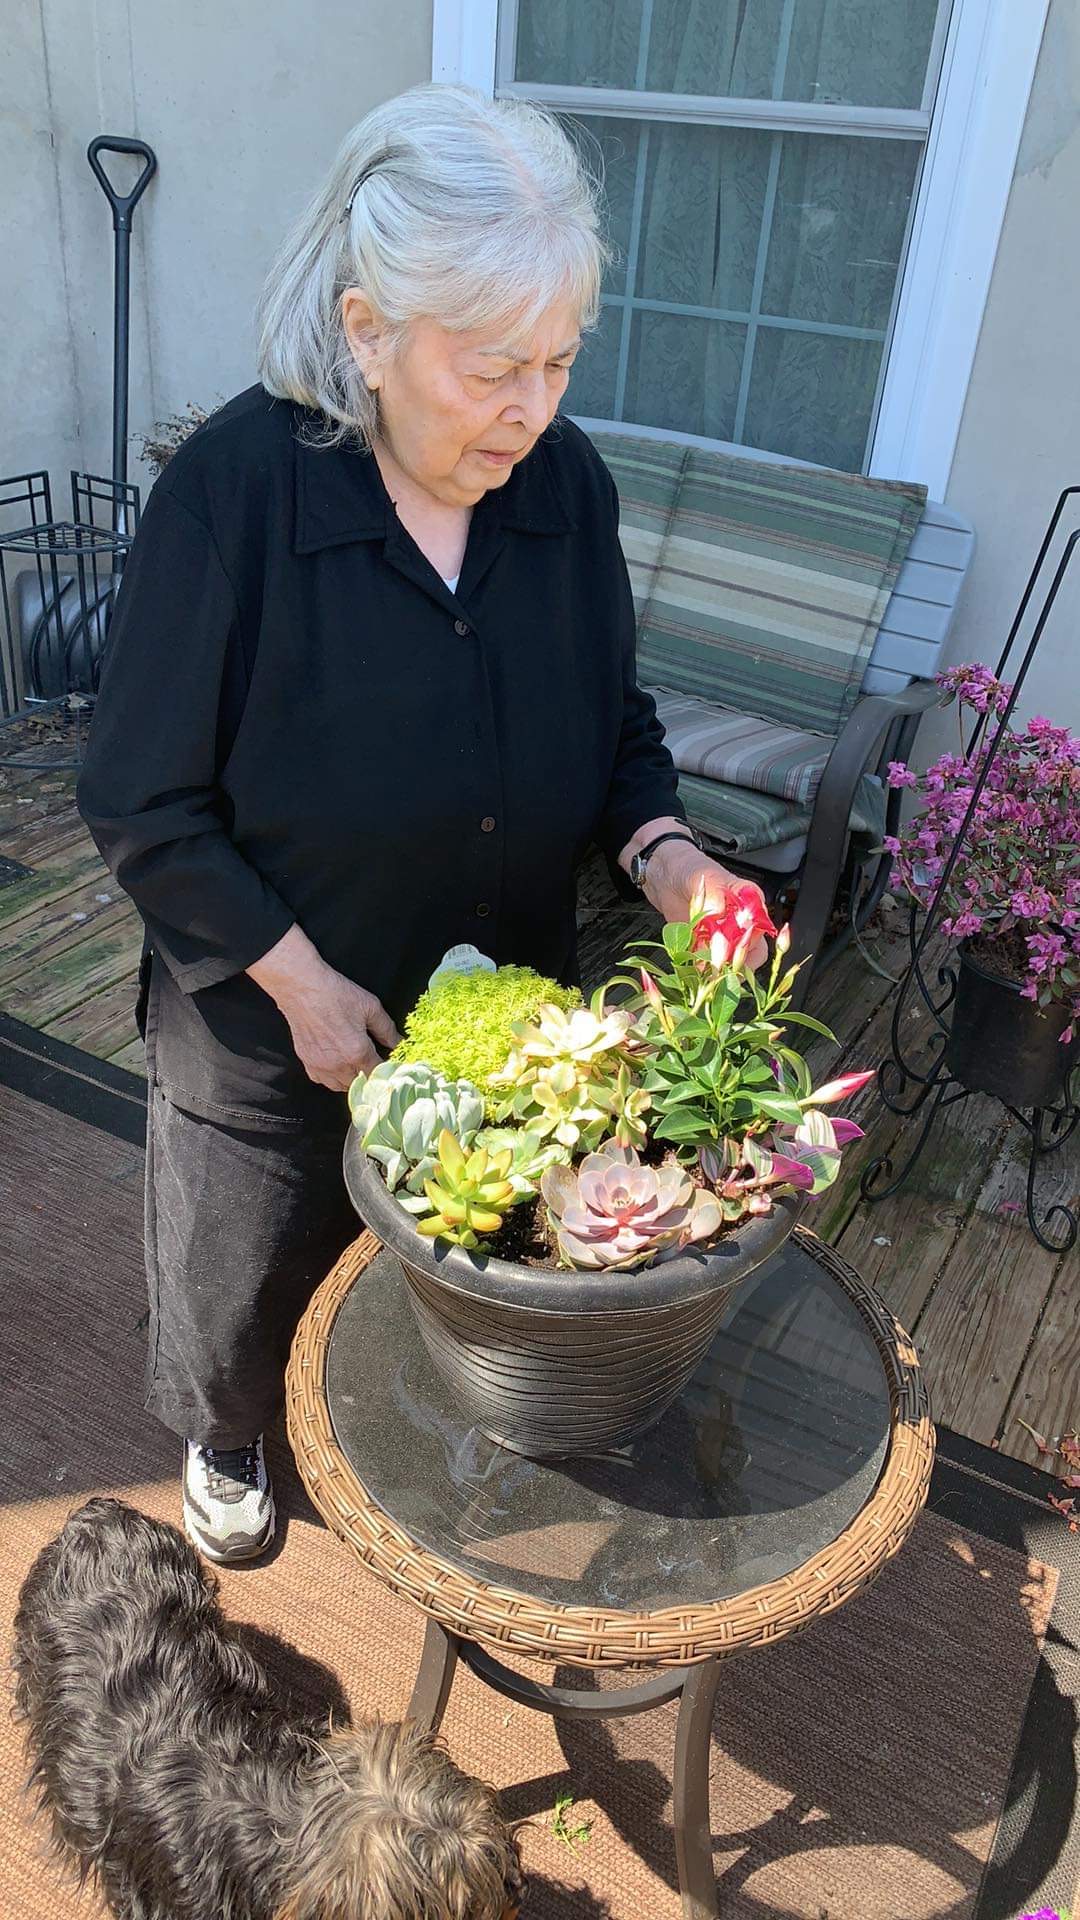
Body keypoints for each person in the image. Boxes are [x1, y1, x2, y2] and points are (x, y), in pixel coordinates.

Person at [77, 83, 770, 1565]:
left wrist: (669, 857)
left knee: (454, 1264)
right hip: (272, 1017)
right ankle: (232, 1440)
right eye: (494, 365)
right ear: (369, 329)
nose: (531, 408)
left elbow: (615, 725)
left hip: (491, 1008)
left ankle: (415, 1415)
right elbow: (138, 796)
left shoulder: (563, 492)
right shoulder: (232, 500)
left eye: (560, 362)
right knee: (249, 1264)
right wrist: (296, 978)